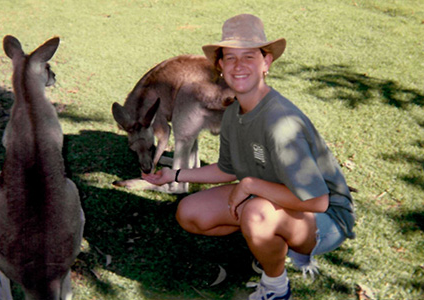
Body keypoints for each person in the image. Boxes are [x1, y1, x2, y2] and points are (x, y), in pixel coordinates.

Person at [142, 14, 355, 300]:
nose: (238, 66)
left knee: (255, 214)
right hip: (276, 198)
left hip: (326, 220)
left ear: (266, 63)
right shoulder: (234, 112)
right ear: (219, 66)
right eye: (230, 58)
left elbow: (318, 201)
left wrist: (251, 186)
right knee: (191, 213)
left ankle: (276, 287)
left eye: (249, 56)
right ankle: (272, 245)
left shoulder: (281, 123)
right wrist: (175, 175)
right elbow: (228, 169)